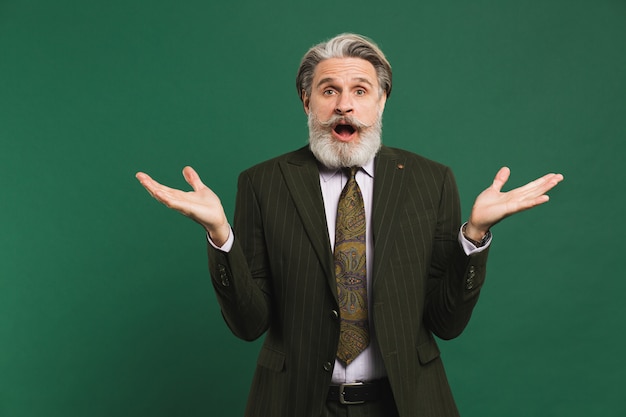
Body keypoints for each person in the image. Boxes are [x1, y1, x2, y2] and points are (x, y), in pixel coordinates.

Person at [136, 33, 563, 417]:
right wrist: (219, 235)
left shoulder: (430, 181)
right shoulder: (262, 183)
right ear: (307, 101)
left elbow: (446, 322)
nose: (345, 104)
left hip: (404, 403)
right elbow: (249, 324)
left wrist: (474, 235)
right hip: (295, 403)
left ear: (381, 101)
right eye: (329, 90)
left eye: (360, 90)